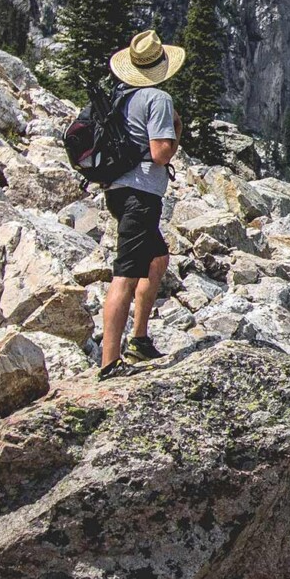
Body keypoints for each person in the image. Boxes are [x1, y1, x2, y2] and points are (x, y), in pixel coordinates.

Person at [99, 29, 183, 379]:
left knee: (158, 258)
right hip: (142, 194)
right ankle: (109, 362)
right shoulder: (158, 99)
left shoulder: (121, 96)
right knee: (125, 275)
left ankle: (140, 339)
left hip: (119, 189)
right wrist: (177, 130)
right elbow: (160, 153)